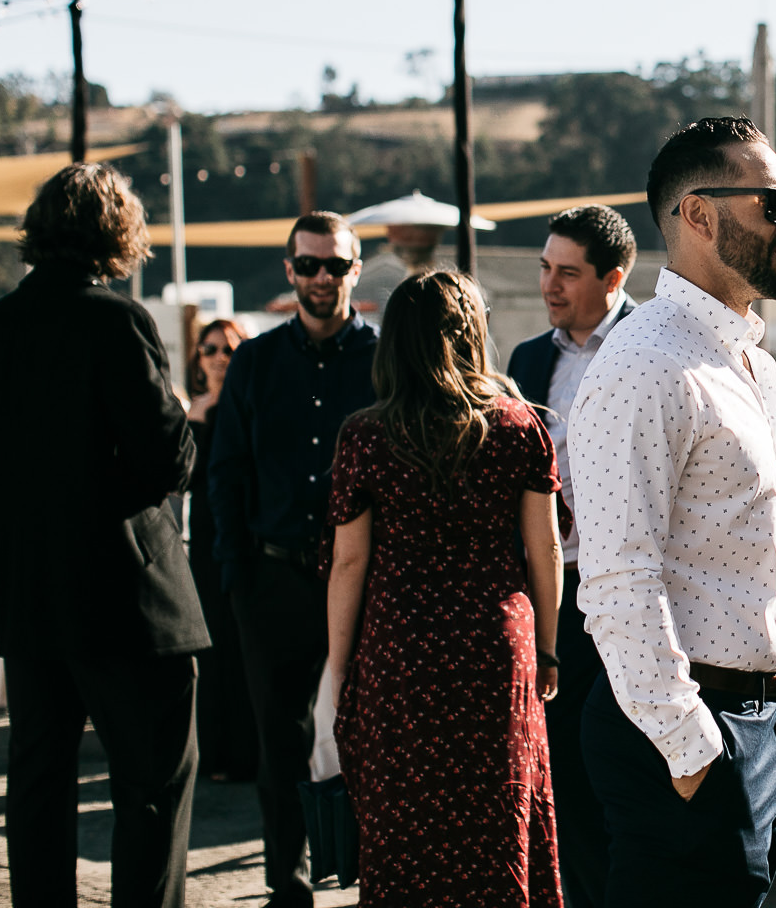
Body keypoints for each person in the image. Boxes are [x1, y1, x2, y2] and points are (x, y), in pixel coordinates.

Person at [0, 163, 208, 908]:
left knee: (37, 780)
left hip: (29, 594)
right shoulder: (118, 320)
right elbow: (170, 460)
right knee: (153, 785)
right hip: (129, 599)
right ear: (118, 235)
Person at [571, 116, 776, 908]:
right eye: (774, 204)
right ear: (698, 215)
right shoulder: (644, 363)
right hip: (688, 732)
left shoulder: (747, 363)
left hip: (758, 722)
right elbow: (615, 579)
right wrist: (690, 747)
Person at [325, 270, 565, 907]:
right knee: (496, 820)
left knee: (406, 829)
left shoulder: (366, 436)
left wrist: (339, 667)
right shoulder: (518, 425)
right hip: (495, 644)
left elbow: (350, 564)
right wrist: (549, 648)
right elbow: (545, 549)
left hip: (400, 649)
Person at [209, 211, 378, 907]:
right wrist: (236, 574)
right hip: (273, 577)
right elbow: (226, 472)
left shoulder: (383, 358)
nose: (319, 277)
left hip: (364, 578)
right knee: (277, 743)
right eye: (307, 264)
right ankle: (289, 881)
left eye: (333, 265)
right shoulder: (255, 360)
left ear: (354, 271)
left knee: (372, 731)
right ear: (288, 271)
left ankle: (379, 876)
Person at [507, 203, 638, 908]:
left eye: (567, 273)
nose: (549, 286)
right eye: (544, 268)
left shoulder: (649, 349)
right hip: (554, 590)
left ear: (614, 277)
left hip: (631, 596)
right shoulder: (528, 360)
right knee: (562, 780)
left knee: (625, 778)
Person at [187, 317, 259, 784]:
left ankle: (246, 754)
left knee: (243, 647)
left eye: (229, 349)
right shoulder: (190, 411)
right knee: (209, 650)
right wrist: (198, 415)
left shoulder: (251, 409)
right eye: (209, 349)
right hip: (203, 541)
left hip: (245, 539)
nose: (218, 357)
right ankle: (211, 752)